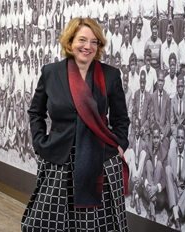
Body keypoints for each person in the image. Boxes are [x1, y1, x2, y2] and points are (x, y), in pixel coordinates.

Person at [21, 18, 130, 231]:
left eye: (93, 41)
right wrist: (40, 144)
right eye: (82, 40)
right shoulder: (51, 73)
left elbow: (121, 119)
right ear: (70, 42)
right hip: (59, 159)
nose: (87, 46)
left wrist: (119, 145)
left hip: (99, 161)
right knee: (45, 224)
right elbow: (36, 112)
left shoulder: (110, 75)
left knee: (97, 226)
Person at [165, 124, 185, 231]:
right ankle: (177, 216)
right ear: (175, 138)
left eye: (182, 138)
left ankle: (175, 212)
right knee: (168, 168)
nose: (179, 141)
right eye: (177, 137)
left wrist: (183, 191)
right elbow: (169, 181)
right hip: (173, 192)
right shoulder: (171, 153)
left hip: (183, 196)